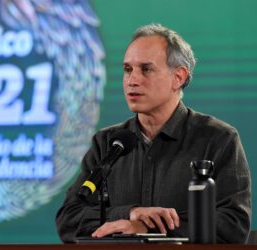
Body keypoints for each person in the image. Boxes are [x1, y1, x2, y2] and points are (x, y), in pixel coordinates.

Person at [55, 23, 251, 243]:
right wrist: (129, 213)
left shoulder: (219, 139)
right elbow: (68, 218)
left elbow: (232, 224)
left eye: (146, 69)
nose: (132, 80)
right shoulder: (107, 143)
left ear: (178, 77)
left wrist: (148, 231)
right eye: (127, 70)